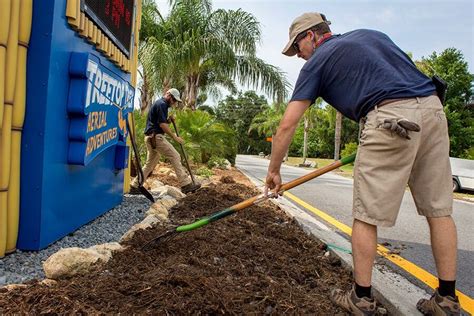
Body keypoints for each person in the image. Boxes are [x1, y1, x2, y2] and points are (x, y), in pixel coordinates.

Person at [265, 12, 460, 315]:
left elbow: (287, 126)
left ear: (311, 36)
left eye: (297, 48)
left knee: (366, 215)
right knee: (439, 210)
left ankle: (361, 299)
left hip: (389, 118)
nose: (299, 56)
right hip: (433, 112)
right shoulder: (372, 36)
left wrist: (274, 171)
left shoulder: (318, 60)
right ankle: (446, 300)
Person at [130, 88, 201, 194]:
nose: (174, 103)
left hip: (151, 137)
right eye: (174, 100)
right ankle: (185, 184)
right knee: (175, 156)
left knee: (150, 164)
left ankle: (135, 186)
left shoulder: (160, 104)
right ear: (169, 95)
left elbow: (160, 121)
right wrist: (174, 137)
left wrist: (169, 120)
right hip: (156, 137)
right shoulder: (162, 104)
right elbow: (162, 125)